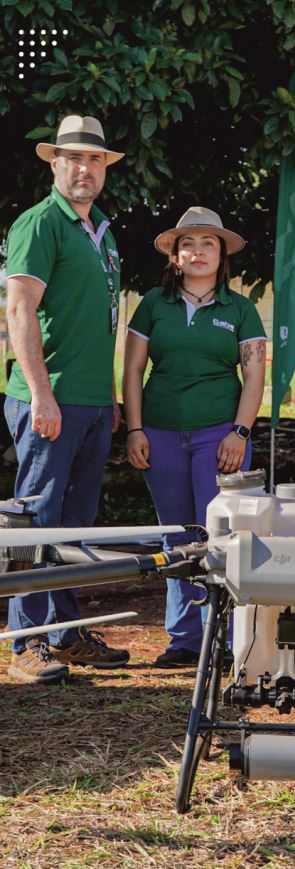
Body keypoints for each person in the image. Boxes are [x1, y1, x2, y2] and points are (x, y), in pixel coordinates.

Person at [5, 115, 128, 684]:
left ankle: (65, 633)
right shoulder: (39, 223)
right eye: (73, 158)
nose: (84, 168)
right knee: (35, 522)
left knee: (75, 525)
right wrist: (41, 394)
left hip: (91, 403)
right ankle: (24, 640)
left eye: (95, 160)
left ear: (105, 169)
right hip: (48, 400)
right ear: (54, 163)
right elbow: (19, 311)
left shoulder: (99, 228)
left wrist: (109, 399)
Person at [123, 207, 267, 667]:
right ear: (176, 256)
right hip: (160, 433)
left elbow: (255, 374)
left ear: (222, 254)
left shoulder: (241, 308)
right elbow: (132, 370)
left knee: (220, 536)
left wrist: (240, 432)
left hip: (219, 436)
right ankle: (183, 638)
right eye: (189, 243)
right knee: (175, 536)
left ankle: (222, 637)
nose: (198, 251)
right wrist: (135, 428)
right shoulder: (152, 303)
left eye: (209, 243)